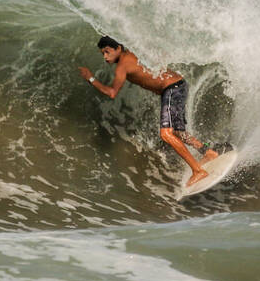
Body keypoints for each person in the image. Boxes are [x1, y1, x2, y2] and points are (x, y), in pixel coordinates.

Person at [78, 35, 219, 187]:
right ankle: (208, 152)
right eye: (102, 54)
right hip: (178, 85)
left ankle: (198, 171)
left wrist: (90, 78)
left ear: (118, 48)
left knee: (166, 134)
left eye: (107, 52)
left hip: (172, 88)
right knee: (177, 132)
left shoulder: (122, 66)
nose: (105, 57)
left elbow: (112, 93)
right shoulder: (131, 55)